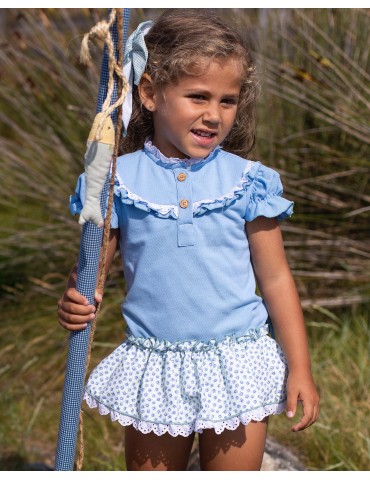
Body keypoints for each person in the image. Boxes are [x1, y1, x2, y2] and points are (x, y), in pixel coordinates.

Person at [58, 9, 319, 471]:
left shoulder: (246, 181)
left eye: (227, 100)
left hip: (237, 360)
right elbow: (91, 273)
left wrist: (300, 367)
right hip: (155, 364)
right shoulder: (119, 179)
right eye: (198, 96)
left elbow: (276, 279)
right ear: (151, 93)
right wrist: (76, 299)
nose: (214, 115)